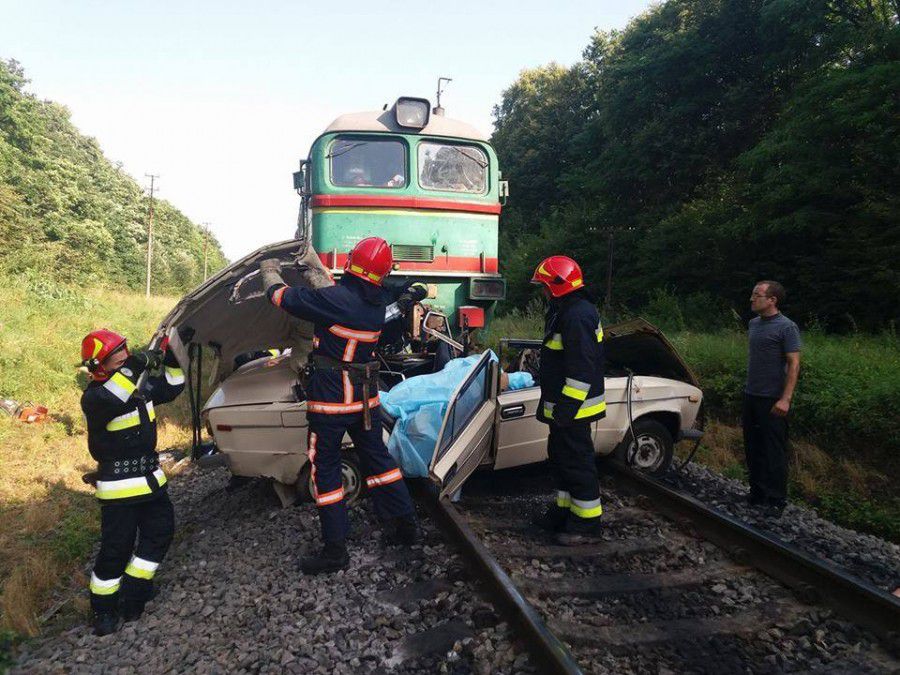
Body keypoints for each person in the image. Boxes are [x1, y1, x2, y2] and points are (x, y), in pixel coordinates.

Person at [258, 238, 421, 574]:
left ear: (350, 263)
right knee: (379, 459)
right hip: (365, 399)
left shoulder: (334, 300)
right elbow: (369, 303)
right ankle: (406, 526)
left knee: (326, 468)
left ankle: (335, 551)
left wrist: (270, 272)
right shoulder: (378, 305)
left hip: (331, 400)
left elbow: (281, 297)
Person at [79, 329, 185, 635]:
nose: (125, 356)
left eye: (126, 350)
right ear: (100, 363)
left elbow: (174, 386)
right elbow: (116, 393)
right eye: (117, 354)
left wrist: (174, 353)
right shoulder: (96, 397)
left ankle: (135, 593)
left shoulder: (137, 387)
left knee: (160, 534)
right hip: (119, 489)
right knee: (116, 549)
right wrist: (137, 363)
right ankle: (103, 610)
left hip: (151, 483)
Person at [530, 256, 606, 545]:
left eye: (544, 285)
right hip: (563, 408)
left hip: (574, 408)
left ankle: (587, 524)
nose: (542, 291)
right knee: (561, 459)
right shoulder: (565, 310)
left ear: (557, 286)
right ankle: (565, 512)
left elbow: (581, 369)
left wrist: (566, 409)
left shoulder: (577, 316)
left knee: (577, 462)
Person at [744, 280, 801, 518]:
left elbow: (794, 363)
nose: (752, 299)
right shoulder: (753, 324)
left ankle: (776, 499)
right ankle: (757, 492)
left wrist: (785, 399)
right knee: (752, 446)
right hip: (751, 394)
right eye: (753, 294)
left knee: (773, 450)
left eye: (757, 295)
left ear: (772, 300)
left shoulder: (786, 327)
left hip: (773, 399)